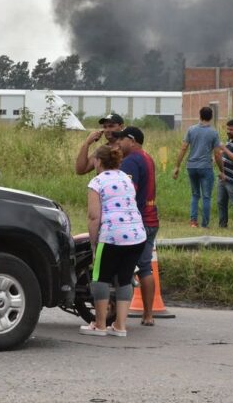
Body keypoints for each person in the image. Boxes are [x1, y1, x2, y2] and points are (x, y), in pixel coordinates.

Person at [80, 144, 147, 337]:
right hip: (137, 235)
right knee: (125, 279)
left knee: (100, 277)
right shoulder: (126, 178)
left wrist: (94, 245)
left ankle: (100, 324)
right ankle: (120, 326)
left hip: (112, 236)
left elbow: (94, 217)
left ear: (98, 161)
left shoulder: (97, 182)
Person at [113, 126, 160, 326]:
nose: (118, 144)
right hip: (151, 219)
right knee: (146, 267)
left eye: (121, 140)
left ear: (131, 140)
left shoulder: (131, 161)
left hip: (137, 222)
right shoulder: (147, 157)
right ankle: (148, 315)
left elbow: (128, 193)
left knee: (122, 267)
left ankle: (114, 313)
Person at [172, 106, 224, 228]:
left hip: (191, 166)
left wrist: (177, 166)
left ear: (199, 116)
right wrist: (222, 170)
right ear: (211, 117)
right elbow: (217, 154)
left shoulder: (191, 130)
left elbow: (183, 148)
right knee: (206, 196)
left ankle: (193, 221)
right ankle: (205, 224)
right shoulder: (213, 132)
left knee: (195, 195)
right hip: (206, 167)